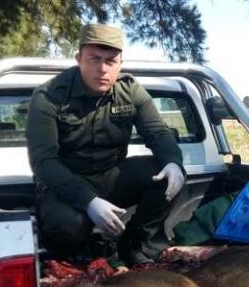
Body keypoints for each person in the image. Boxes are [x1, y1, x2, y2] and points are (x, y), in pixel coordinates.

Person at [26, 23, 185, 265]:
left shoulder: (130, 91)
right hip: (64, 183)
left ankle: (136, 243)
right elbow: (43, 162)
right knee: (67, 225)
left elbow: (158, 133)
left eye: (110, 61)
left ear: (120, 63)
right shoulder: (49, 96)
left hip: (110, 176)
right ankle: (74, 256)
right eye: (94, 59)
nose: (102, 68)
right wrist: (89, 201)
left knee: (167, 176)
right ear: (79, 58)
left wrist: (173, 161)